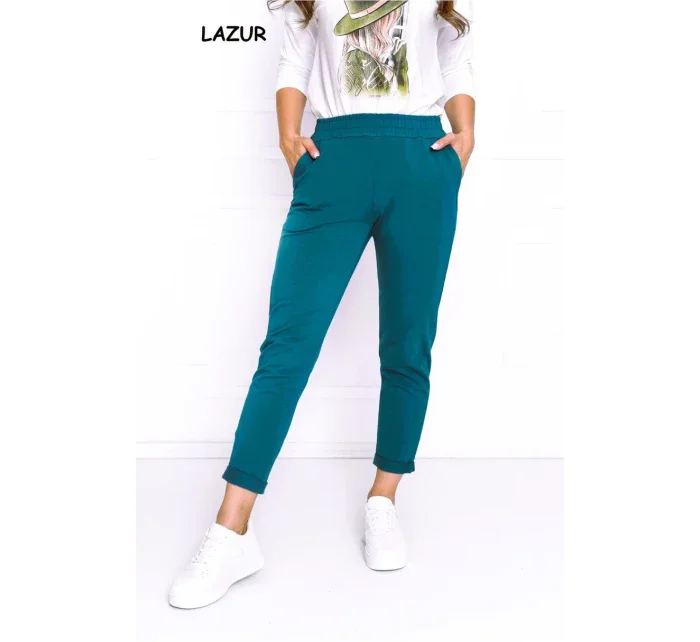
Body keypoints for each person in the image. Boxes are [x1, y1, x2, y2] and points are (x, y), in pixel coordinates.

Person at [169, 0, 475, 609]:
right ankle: (232, 530)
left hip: (422, 161)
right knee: (288, 346)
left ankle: (383, 497)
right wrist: (289, 136)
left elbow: (455, 56)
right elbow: (296, 55)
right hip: (334, 158)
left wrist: (466, 139)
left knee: (408, 343)